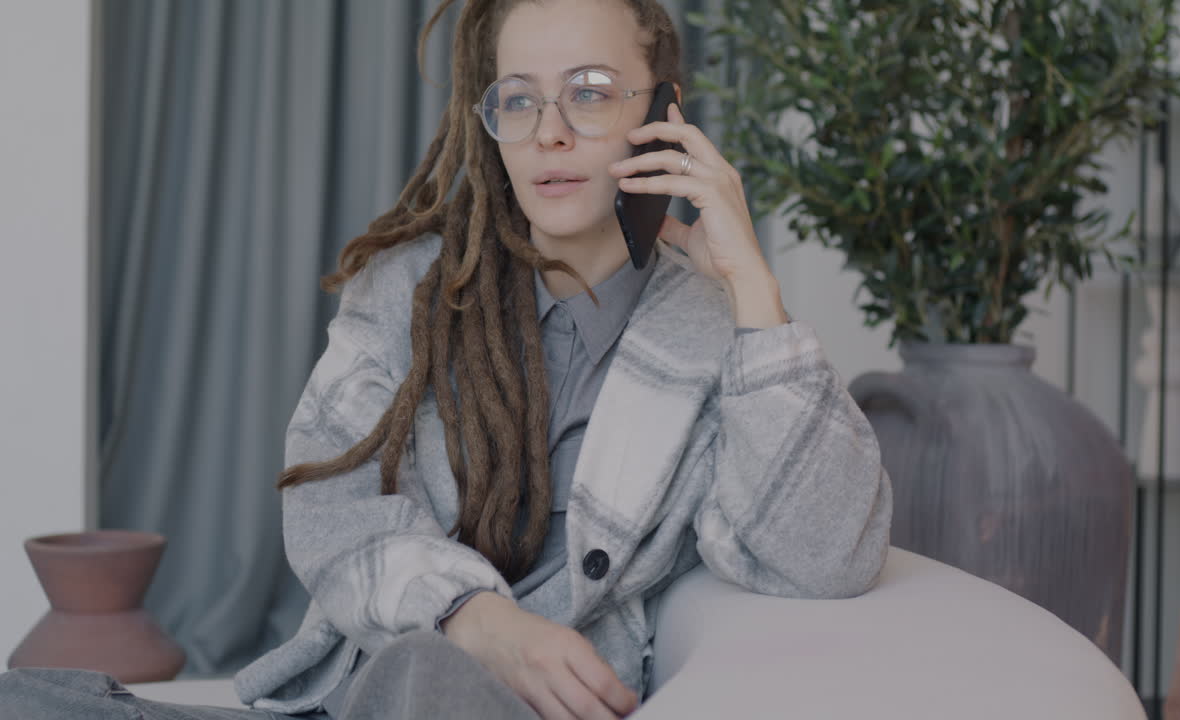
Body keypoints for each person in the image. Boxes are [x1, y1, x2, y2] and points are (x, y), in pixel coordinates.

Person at [0, 0, 891, 717]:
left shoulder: (719, 333)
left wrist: (755, 292)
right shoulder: (408, 287)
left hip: (513, 707)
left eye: (589, 92)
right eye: (519, 98)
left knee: (433, 680)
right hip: (373, 691)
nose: (549, 133)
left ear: (663, 114)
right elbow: (330, 509)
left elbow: (829, 557)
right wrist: (477, 618)